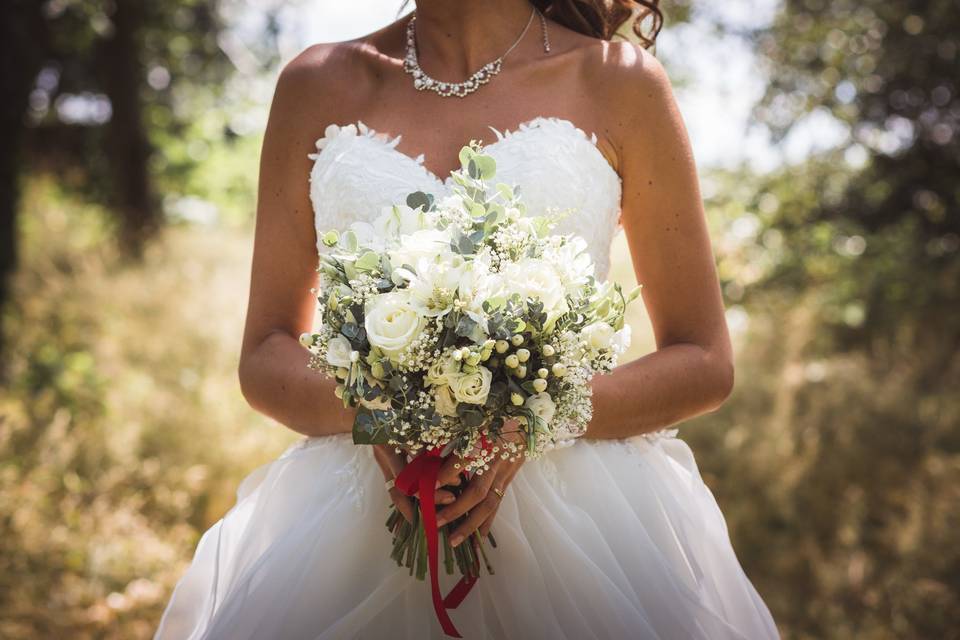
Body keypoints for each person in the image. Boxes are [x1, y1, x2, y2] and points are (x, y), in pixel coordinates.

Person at [155, 1, 780, 638]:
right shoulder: (317, 83)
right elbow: (264, 354)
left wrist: (531, 418)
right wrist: (386, 413)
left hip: (587, 525)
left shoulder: (621, 82)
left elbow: (704, 360)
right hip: (350, 523)